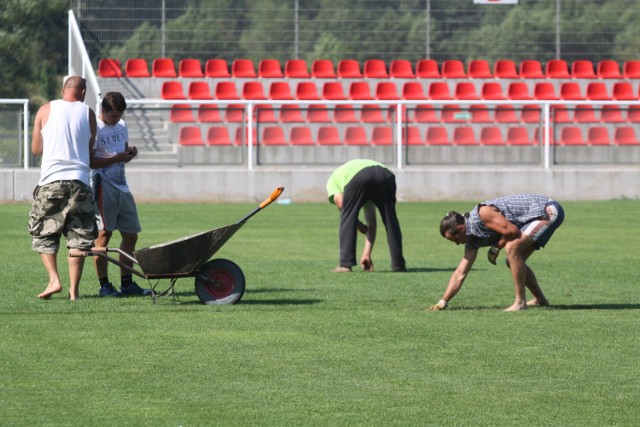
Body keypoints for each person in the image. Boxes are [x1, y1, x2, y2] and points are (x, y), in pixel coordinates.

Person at [430, 194, 565, 312]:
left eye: (455, 239)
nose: (458, 243)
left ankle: (520, 302)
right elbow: (460, 273)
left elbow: (512, 231)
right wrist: (443, 301)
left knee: (512, 249)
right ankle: (540, 300)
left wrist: (495, 248)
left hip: (547, 210)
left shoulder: (481, 214)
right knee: (512, 260)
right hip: (535, 217)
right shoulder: (471, 241)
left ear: (461, 228)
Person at [28, 76, 98, 301]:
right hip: (80, 181)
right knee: (80, 235)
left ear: (63, 90)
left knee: (44, 232)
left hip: (51, 180)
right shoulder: (88, 113)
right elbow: (89, 153)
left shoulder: (45, 109)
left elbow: (36, 149)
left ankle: (54, 280)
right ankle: (74, 291)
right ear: (84, 92)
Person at [90, 91, 151, 297]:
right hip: (102, 184)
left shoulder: (122, 125)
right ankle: (104, 285)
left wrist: (129, 155)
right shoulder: (95, 128)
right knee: (104, 235)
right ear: (103, 111)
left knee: (131, 235)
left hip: (122, 186)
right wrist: (116, 157)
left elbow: (122, 157)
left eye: (119, 116)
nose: (116, 120)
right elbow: (91, 161)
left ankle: (127, 283)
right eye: (113, 116)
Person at [326, 159, 406, 273]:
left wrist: (357, 224)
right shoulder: (365, 192)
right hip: (385, 174)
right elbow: (371, 224)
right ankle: (399, 265)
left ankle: (345, 264)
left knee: (347, 217)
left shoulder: (333, 181)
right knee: (390, 220)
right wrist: (366, 254)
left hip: (360, 177)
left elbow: (342, 204)